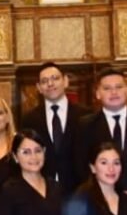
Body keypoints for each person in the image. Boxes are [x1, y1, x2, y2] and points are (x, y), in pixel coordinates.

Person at [77, 68, 127, 192]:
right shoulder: (85, 125)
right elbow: (81, 165)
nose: (114, 92)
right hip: (101, 197)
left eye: (118, 87)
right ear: (98, 94)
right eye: (107, 88)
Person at [20, 62, 89, 195]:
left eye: (55, 79)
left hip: (79, 190)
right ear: (39, 87)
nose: (50, 84)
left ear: (66, 81)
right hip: (41, 190)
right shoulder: (29, 119)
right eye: (44, 81)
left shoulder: (85, 116)